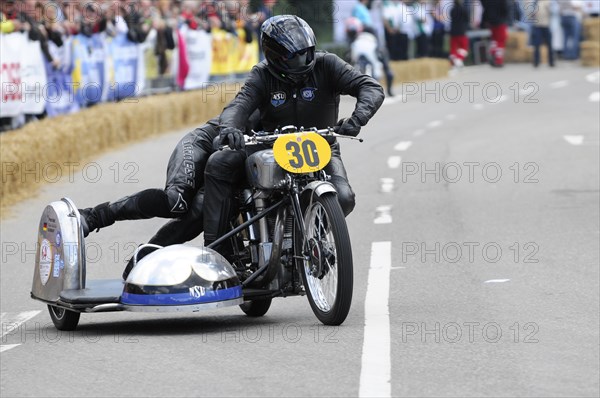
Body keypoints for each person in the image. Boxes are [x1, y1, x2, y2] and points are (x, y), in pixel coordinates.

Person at [201, 15, 384, 251]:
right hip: (270, 147)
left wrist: (358, 118)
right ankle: (216, 248)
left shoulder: (328, 64)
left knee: (345, 197)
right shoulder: (262, 74)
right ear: (274, 55)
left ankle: (310, 240)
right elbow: (240, 104)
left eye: (305, 52)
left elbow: (370, 87)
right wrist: (229, 128)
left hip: (322, 148)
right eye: (292, 55)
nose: (301, 60)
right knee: (219, 162)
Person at [78, 111, 260, 279]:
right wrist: (230, 131)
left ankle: (143, 258)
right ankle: (95, 216)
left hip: (226, 170)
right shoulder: (261, 94)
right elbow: (236, 111)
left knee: (200, 214)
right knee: (176, 202)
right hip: (204, 146)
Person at [480, 0, 509, 67]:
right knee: (500, 41)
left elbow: (485, 10)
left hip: (491, 22)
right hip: (500, 21)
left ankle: (492, 52)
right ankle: (498, 60)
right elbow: (505, 10)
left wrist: (485, 21)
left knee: (494, 40)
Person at [530, 0, 555, 67]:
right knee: (537, 44)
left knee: (549, 44)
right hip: (537, 25)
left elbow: (552, 12)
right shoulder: (535, 2)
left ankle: (551, 62)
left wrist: (548, 8)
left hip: (546, 25)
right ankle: (536, 62)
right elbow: (530, 13)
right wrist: (533, 14)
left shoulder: (548, 2)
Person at [449, 0, 469, 68]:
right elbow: (467, 20)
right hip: (461, 32)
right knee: (464, 48)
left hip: (453, 32)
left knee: (453, 49)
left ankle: (453, 62)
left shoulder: (452, 10)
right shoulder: (463, 9)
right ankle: (458, 60)